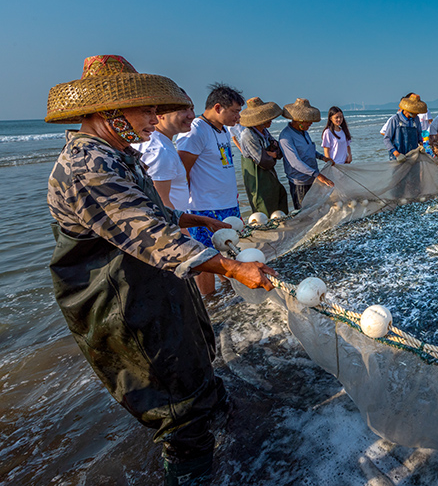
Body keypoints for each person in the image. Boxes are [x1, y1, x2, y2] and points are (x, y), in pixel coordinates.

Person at [45, 55, 275, 485]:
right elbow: (149, 235)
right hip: (122, 303)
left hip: (154, 288)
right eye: (146, 108)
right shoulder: (87, 164)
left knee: (195, 366)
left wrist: (195, 220)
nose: (156, 118)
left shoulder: (118, 153)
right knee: (174, 404)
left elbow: (149, 213)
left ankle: (227, 423)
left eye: (155, 108)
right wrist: (231, 268)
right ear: (110, 112)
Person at [177, 83, 245, 296]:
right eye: (235, 111)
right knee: (205, 257)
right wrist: (184, 213)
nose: (238, 117)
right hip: (204, 207)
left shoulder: (223, 129)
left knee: (227, 248)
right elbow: (182, 172)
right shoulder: (196, 130)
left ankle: (227, 289)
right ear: (218, 107)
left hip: (227, 203)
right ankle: (210, 300)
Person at [134, 92, 194, 210]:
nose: (191, 115)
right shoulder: (160, 150)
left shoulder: (152, 140)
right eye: (183, 110)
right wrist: (181, 229)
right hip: (167, 224)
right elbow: (161, 202)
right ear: (161, 114)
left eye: (192, 109)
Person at [279, 98, 334, 209]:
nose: (310, 124)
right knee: (303, 212)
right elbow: (295, 162)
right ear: (299, 120)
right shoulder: (286, 137)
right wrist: (319, 176)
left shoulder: (304, 132)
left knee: (315, 209)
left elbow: (310, 150)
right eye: (308, 122)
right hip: (300, 182)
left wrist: (323, 157)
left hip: (312, 178)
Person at [239, 97, 289, 217]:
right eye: (267, 119)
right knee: (262, 206)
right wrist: (270, 153)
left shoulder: (264, 131)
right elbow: (263, 161)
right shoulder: (248, 134)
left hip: (269, 174)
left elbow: (278, 150)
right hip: (257, 176)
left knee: (279, 197)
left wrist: (272, 153)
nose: (270, 121)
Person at [382, 93, 428, 161]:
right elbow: (387, 139)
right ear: (408, 110)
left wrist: (421, 145)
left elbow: (419, 134)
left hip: (413, 156)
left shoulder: (416, 119)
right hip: (398, 157)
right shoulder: (395, 120)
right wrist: (397, 154)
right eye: (415, 111)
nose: (417, 113)